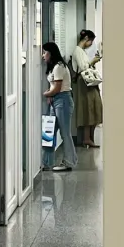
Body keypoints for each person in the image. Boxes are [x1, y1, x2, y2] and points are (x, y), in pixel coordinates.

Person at [42, 41, 77, 173]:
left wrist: (46, 94)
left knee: (65, 133)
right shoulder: (53, 67)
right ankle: (47, 163)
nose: (43, 55)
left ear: (51, 53)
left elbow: (57, 88)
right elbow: (54, 87)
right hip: (56, 100)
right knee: (49, 131)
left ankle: (69, 162)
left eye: (45, 52)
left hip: (63, 100)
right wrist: (50, 94)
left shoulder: (59, 67)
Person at [72, 29, 104, 148]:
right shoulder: (77, 51)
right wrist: (92, 62)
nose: (90, 44)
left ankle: (89, 138)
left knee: (94, 108)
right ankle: (87, 138)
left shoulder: (82, 51)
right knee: (87, 110)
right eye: (90, 41)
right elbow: (83, 67)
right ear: (86, 39)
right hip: (84, 83)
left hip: (89, 83)